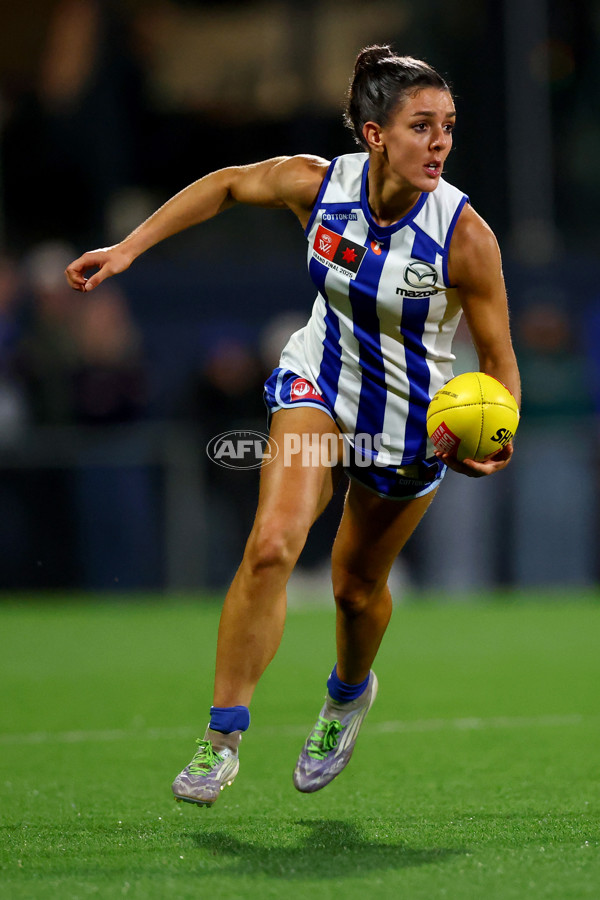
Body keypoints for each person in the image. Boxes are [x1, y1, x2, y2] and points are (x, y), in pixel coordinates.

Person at [65, 45, 520, 806]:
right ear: (374, 135)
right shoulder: (318, 183)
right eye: (420, 126)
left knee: (354, 588)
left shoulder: (464, 237)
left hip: (407, 422)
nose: (440, 142)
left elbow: (501, 361)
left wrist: (496, 440)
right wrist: (128, 247)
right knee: (273, 544)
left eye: (447, 126)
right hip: (318, 385)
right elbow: (224, 186)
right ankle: (221, 738)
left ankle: (346, 696)